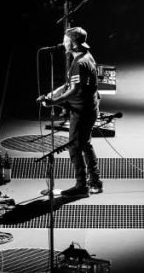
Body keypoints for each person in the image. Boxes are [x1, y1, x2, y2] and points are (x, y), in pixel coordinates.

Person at [37, 27, 103, 196]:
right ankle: (95, 182)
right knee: (85, 145)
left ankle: (81, 186)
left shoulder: (79, 62)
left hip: (81, 112)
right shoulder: (85, 57)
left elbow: (74, 90)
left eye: (65, 40)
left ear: (72, 43)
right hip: (87, 109)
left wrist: (53, 102)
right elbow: (70, 85)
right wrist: (53, 94)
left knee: (75, 148)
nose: (63, 43)